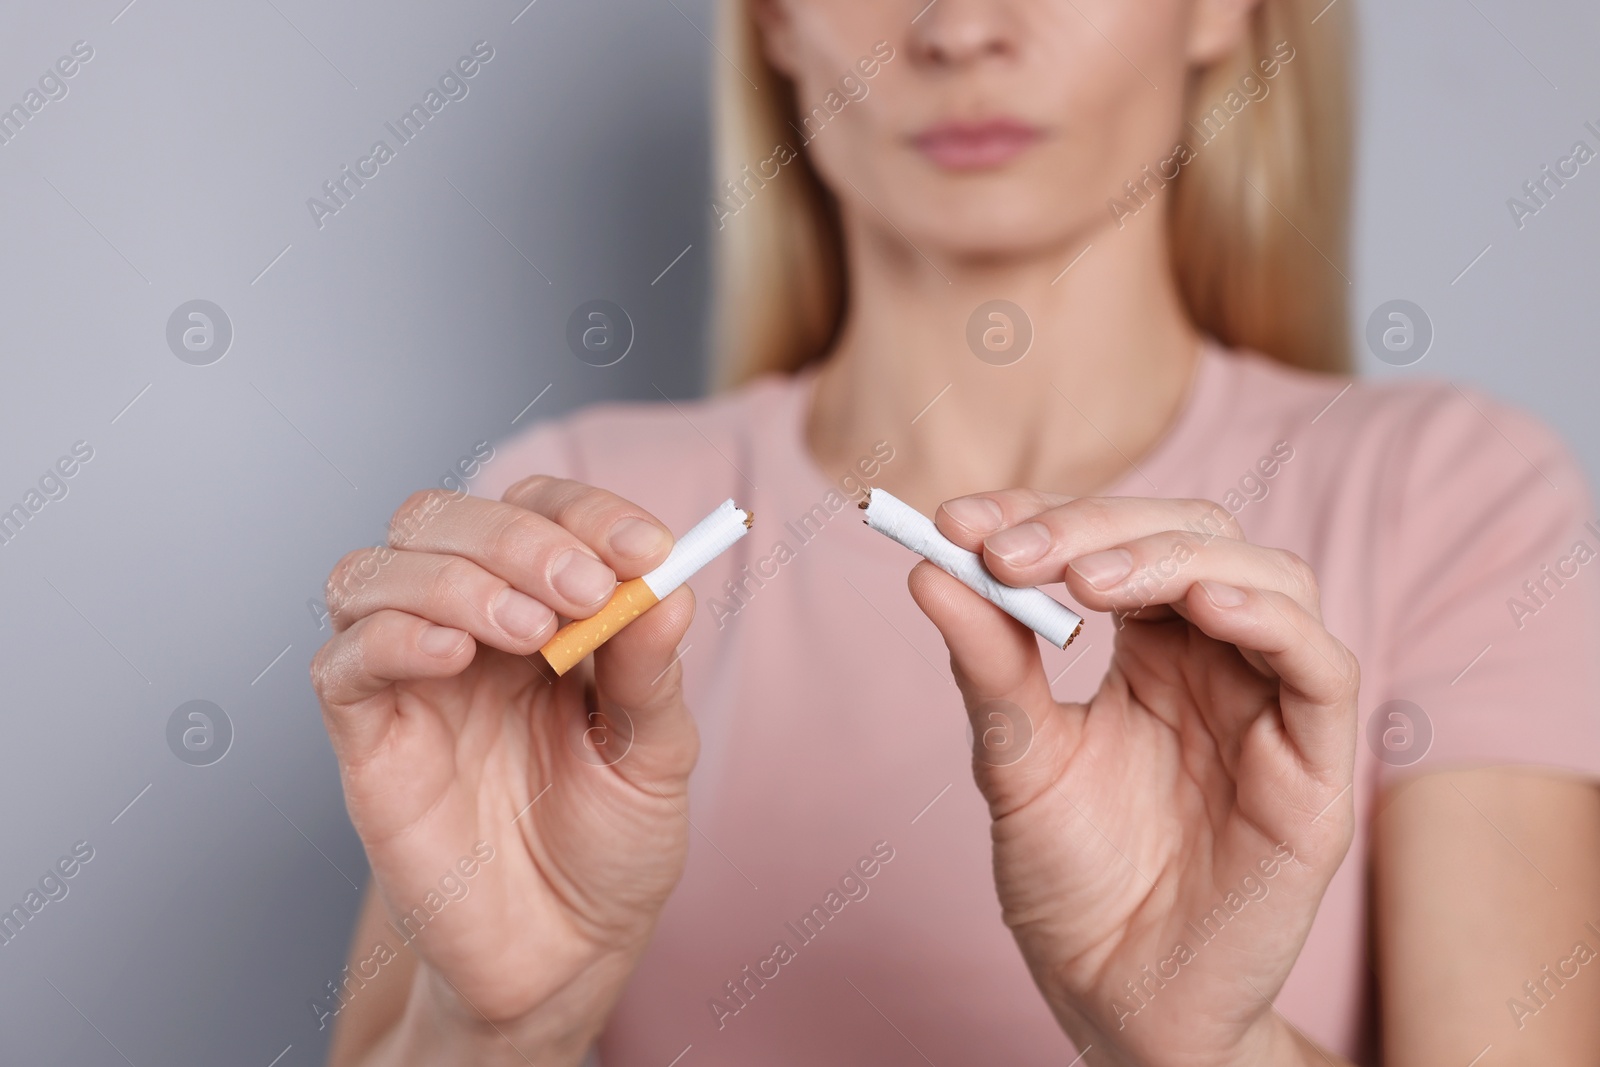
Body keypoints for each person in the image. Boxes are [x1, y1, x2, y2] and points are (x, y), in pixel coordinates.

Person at [310, 0, 1600, 1063]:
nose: (963, 27)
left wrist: (1202, 1046)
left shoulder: (1450, 496)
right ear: (769, 19)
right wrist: (499, 1028)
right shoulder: (575, 530)